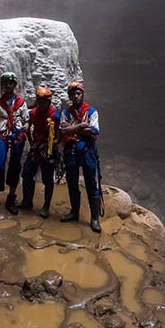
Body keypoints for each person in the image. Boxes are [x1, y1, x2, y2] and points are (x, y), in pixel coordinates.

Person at [0, 72, 29, 220]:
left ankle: (11, 198)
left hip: (18, 135)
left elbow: (26, 119)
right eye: (5, 83)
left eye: (10, 83)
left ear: (14, 85)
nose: (8, 86)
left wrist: (24, 128)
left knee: (15, 165)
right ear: (2, 86)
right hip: (1, 135)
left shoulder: (21, 103)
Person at [59, 80, 103, 232]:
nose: (76, 96)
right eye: (73, 94)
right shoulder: (66, 113)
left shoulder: (92, 112)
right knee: (72, 181)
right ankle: (74, 212)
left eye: (78, 93)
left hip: (87, 150)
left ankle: (95, 218)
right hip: (71, 150)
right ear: (70, 97)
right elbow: (63, 131)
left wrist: (72, 129)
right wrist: (81, 126)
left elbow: (94, 130)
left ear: (82, 94)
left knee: (91, 181)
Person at [19, 86, 60, 218]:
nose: (42, 103)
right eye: (40, 101)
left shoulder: (54, 116)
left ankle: (46, 206)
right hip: (36, 148)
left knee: (48, 179)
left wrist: (49, 145)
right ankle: (27, 201)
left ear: (49, 101)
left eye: (44, 101)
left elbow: (59, 137)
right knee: (26, 173)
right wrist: (32, 141)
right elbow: (28, 127)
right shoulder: (33, 114)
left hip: (47, 151)